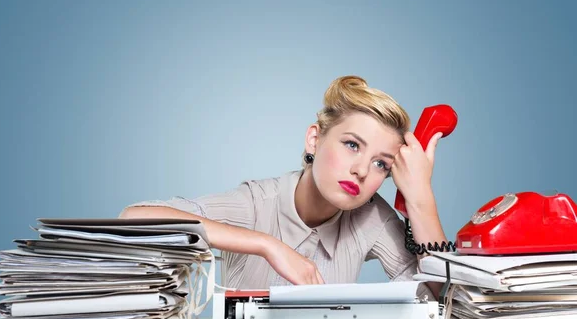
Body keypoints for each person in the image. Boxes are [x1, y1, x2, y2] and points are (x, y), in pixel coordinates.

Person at [119, 75, 446, 299]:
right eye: (351, 145)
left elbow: (440, 301)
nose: (361, 170)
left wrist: (420, 198)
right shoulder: (257, 203)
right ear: (314, 139)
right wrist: (267, 245)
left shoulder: (371, 217)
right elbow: (134, 217)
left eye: (380, 164)